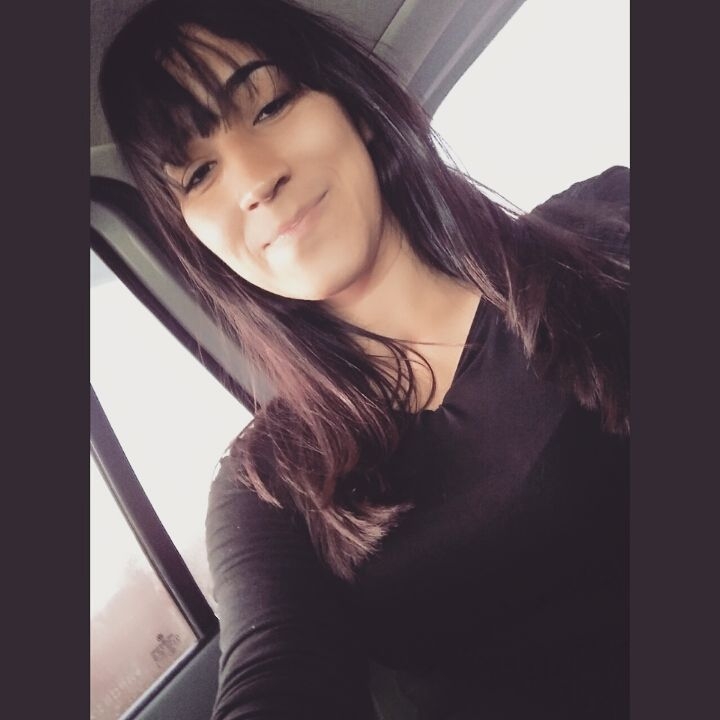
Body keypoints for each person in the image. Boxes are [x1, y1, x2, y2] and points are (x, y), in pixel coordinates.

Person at [99, 0, 630, 717]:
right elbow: (274, 675)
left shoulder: (610, 225)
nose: (253, 181)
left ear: (355, 109)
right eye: (197, 174)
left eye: (270, 105)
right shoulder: (270, 487)